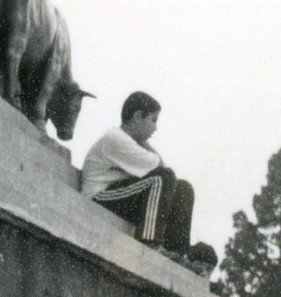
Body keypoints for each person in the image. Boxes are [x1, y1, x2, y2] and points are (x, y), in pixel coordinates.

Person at [79, 94, 195, 255]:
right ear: (138, 116)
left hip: (119, 194)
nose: (156, 128)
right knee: (163, 178)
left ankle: (177, 252)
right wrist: (142, 141)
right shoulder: (116, 138)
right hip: (99, 196)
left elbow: (159, 167)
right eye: (153, 120)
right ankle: (150, 243)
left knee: (183, 188)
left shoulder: (127, 141)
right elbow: (160, 166)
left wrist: (140, 139)